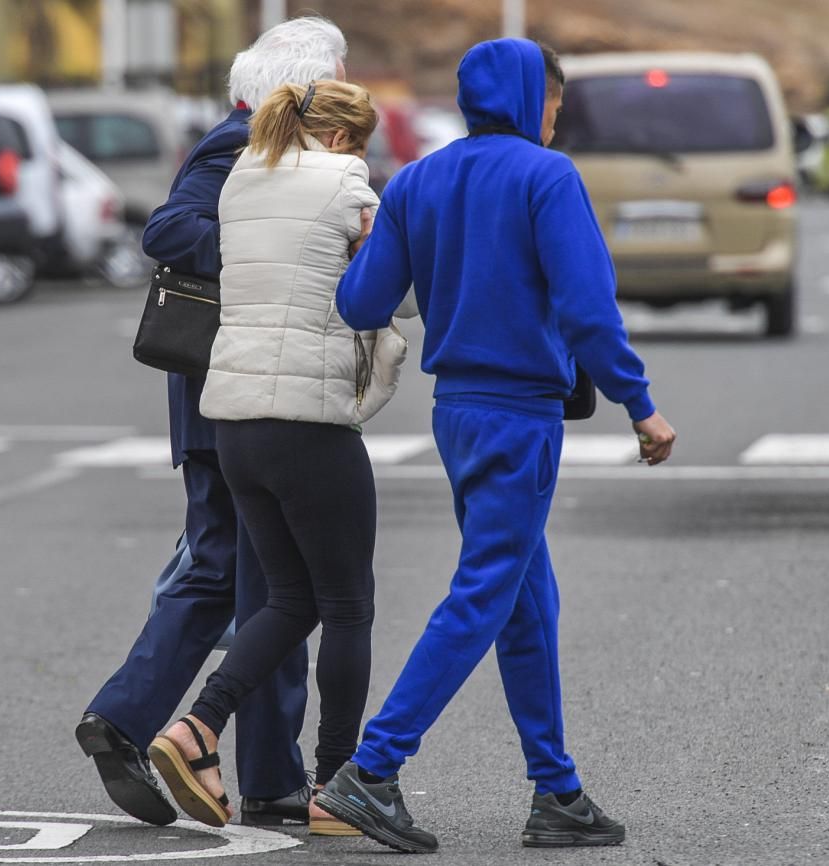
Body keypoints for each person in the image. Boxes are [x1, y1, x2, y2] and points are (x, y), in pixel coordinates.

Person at [316, 39, 677, 853]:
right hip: (521, 415)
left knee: (524, 594)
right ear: (527, 98)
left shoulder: (416, 181)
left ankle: (557, 793)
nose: (555, 117)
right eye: (553, 101)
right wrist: (641, 406)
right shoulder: (548, 177)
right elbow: (588, 309)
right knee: (486, 590)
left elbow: (364, 302)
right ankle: (370, 771)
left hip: (458, 414)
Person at [75, 16, 349, 830]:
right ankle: (248, 769)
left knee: (239, 574)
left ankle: (170, 738)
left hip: (227, 394)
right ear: (301, 88)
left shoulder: (255, 141)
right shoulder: (239, 146)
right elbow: (168, 230)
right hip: (228, 393)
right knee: (267, 580)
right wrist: (269, 242)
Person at [148, 78, 407, 837]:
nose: (359, 156)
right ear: (337, 140)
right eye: (357, 143)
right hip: (311, 423)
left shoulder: (241, 180)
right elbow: (397, 295)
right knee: (348, 606)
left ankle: (195, 727)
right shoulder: (345, 184)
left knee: (286, 601)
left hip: (236, 425)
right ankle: (336, 786)